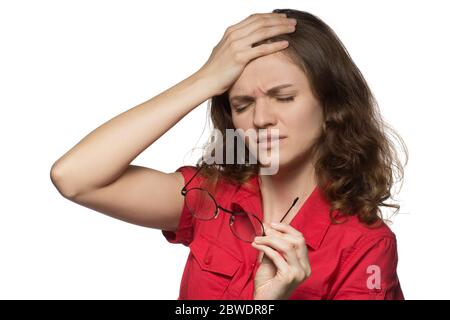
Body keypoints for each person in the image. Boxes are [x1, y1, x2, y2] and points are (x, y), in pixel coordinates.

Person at [50, 8, 407, 300]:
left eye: (284, 97)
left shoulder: (365, 244)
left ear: (330, 105)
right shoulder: (210, 196)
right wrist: (206, 79)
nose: (262, 118)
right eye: (243, 104)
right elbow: (75, 177)